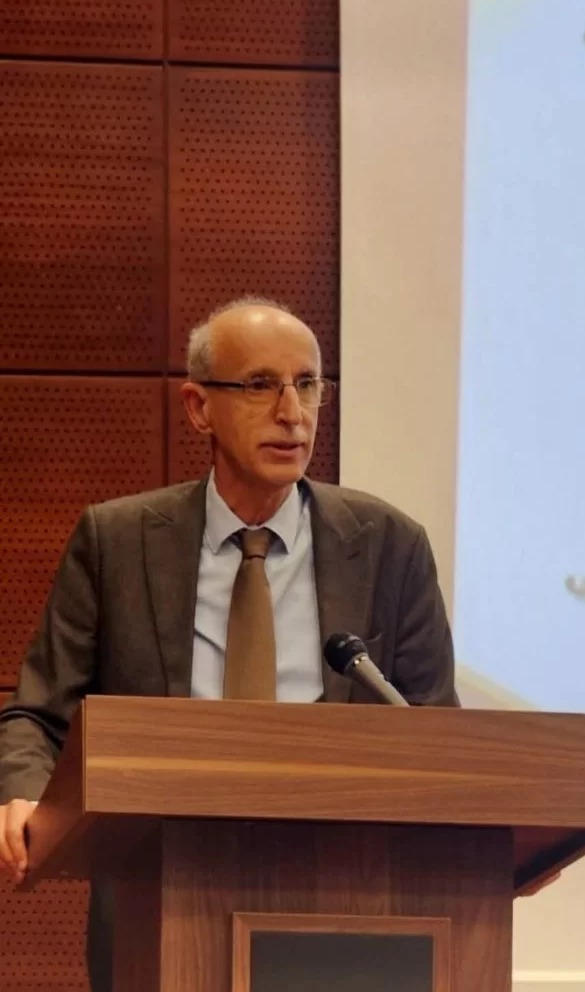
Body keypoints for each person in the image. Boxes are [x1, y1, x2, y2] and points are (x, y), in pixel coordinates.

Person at [0, 297, 457, 990]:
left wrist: (502, 834)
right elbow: (38, 714)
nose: (291, 412)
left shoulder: (390, 546)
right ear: (198, 408)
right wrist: (24, 795)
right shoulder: (118, 542)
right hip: (160, 897)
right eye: (260, 385)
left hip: (350, 901)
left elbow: (436, 729)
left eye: (307, 384)